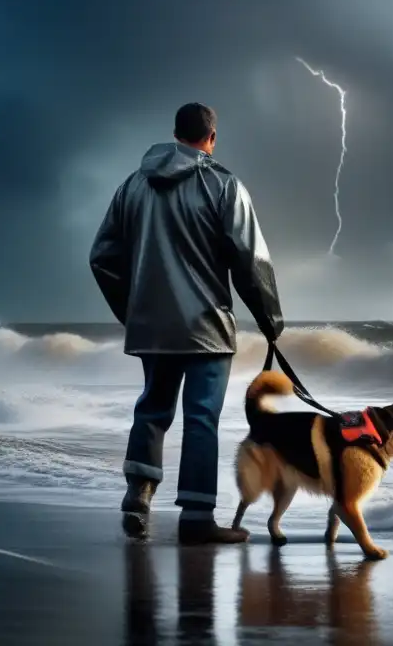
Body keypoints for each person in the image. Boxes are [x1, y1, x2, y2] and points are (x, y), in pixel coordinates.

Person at [89, 102, 284, 544]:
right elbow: (250, 262)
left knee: (153, 409)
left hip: (152, 327)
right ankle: (197, 518)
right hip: (206, 329)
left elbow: (102, 258)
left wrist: (134, 310)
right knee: (200, 419)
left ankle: (137, 495)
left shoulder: (131, 187)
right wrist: (271, 321)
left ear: (175, 134)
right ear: (211, 139)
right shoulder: (223, 185)